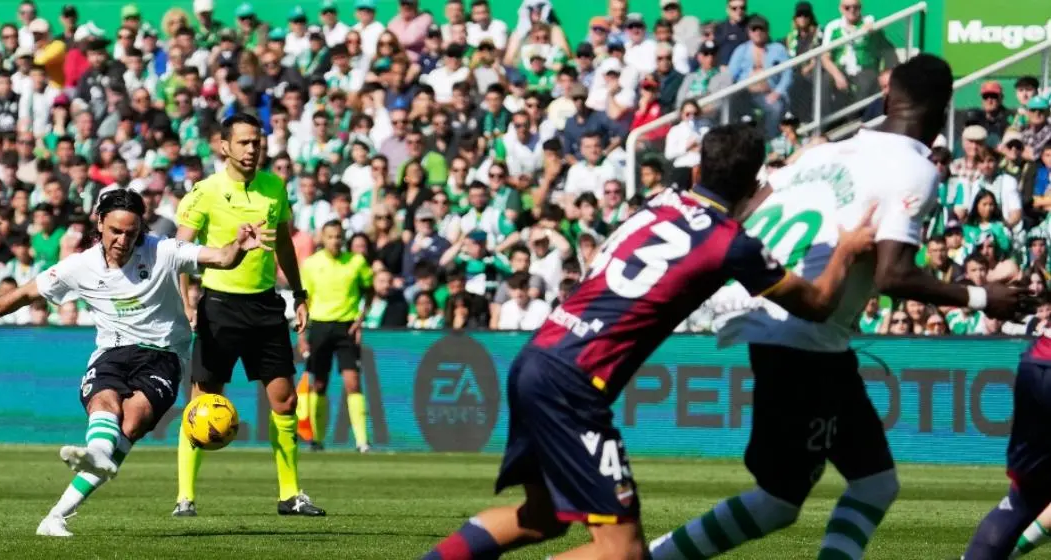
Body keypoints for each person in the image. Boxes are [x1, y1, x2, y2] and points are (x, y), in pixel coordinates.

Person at [423, 123, 880, 560]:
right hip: (575, 383)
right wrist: (847, 249)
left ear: (697, 171)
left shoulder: (661, 201)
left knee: (540, 517)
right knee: (623, 553)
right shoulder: (731, 244)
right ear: (751, 186)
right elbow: (818, 304)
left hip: (539, 356)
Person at [651, 54, 1024, 560]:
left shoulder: (824, 151)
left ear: (888, 96)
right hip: (804, 338)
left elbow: (752, 207)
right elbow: (893, 274)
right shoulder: (915, 167)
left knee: (875, 483)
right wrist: (982, 297)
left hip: (791, 324)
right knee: (776, 503)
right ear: (944, 110)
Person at [0, 189, 271, 537]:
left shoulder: (163, 250)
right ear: (99, 223)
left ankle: (60, 509)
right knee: (105, 402)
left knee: (132, 423)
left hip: (163, 355)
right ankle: (81, 479)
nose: (123, 239)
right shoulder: (80, 266)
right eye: (116, 230)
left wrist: (237, 247)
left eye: (131, 232)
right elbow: (25, 293)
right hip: (112, 352)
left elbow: (220, 257)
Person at [173, 113, 323, 518]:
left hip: (265, 306)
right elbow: (178, 254)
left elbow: (285, 247)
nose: (252, 148)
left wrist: (298, 292)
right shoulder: (204, 192)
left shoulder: (275, 187)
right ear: (224, 146)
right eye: (243, 142)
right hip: (218, 307)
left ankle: (290, 494)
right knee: (202, 402)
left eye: (256, 141)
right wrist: (187, 302)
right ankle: (185, 497)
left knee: (285, 400)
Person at [298, 220, 375, 453]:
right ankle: (317, 440)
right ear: (322, 238)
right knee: (319, 384)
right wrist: (303, 334)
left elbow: (370, 289)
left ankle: (362, 441)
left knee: (353, 382)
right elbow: (304, 300)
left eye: (339, 237)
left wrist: (361, 318)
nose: (335, 241)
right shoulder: (311, 264)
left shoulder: (356, 262)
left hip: (346, 327)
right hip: (320, 326)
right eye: (331, 236)